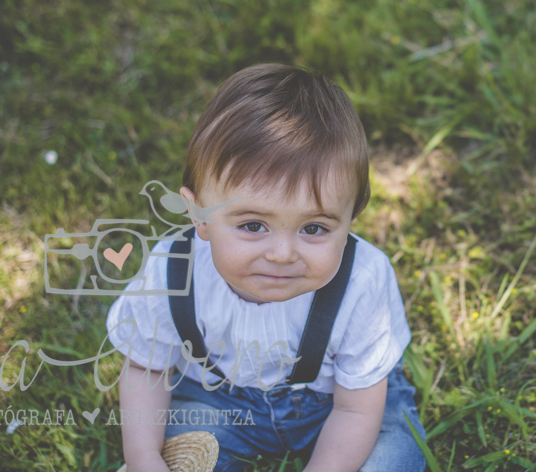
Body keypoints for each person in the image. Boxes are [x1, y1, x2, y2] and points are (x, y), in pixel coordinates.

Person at [105, 63, 427, 472]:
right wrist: (143, 460)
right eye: (253, 225)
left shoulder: (363, 280)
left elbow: (357, 411)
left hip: (342, 404)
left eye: (314, 228)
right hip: (220, 401)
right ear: (199, 216)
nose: (281, 253)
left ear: (350, 220)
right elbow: (145, 368)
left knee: (392, 458)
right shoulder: (173, 272)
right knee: (187, 452)